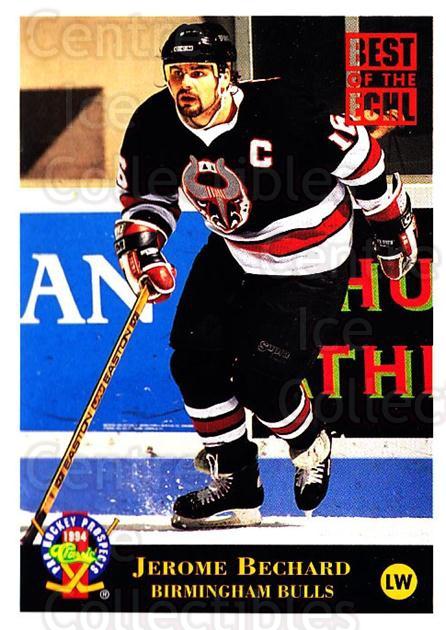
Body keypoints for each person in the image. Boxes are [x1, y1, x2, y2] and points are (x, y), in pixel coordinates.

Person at [114, 22, 418, 529]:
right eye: (176, 73)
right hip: (235, 252)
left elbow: (362, 157)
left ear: (226, 74)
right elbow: (147, 198)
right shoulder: (153, 122)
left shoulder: (281, 109)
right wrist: (146, 250)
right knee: (193, 363)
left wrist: (389, 225)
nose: (184, 83)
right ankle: (237, 482)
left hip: (312, 259)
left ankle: (308, 443)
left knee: (262, 382)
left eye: (198, 72)